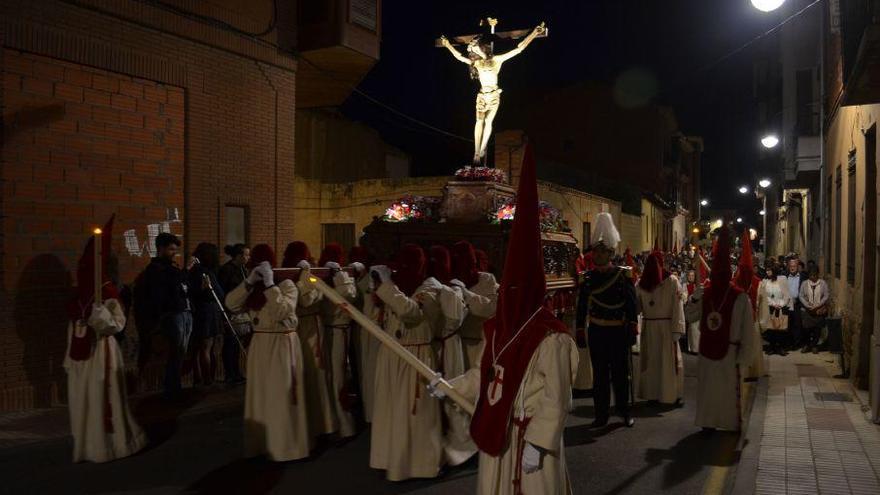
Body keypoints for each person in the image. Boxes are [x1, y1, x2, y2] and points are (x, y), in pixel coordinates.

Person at [432, 143, 577, 494]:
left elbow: (556, 397)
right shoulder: (497, 329)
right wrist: (449, 387)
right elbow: (483, 374)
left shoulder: (549, 337)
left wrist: (540, 443)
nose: (506, 298)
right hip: (500, 429)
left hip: (530, 436)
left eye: (516, 291)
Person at [65, 216, 146, 463]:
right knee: (84, 401)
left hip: (102, 352)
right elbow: (72, 325)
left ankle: (110, 445)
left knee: (103, 399)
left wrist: (99, 316)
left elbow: (117, 324)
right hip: (82, 355)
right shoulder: (78, 292)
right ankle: (88, 446)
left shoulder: (108, 290)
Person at [226, 244, 310, 461]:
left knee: (281, 396)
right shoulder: (252, 288)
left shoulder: (288, 284)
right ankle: (262, 444)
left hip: (282, 344)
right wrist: (249, 282)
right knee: (261, 396)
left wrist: (270, 284)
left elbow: (282, 310)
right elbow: (231, 304)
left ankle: (286, 446)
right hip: (261, 344)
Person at [369, 244, 444, 481]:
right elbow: (376, 317)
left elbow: (411, 313)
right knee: (391, 411)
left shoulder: (430, 288)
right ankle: (391, 459)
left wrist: (387, 286)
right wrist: (376, 291)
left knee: (416, 415)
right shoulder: (396, 288)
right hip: (392, 354)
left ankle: (420, 465)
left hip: (417, 357)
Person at [440, 23, 547, 165]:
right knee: (479, 121)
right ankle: (477, 152)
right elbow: (459, 56)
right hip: (482, 95)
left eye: (475, 48)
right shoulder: (476, 64)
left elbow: (518, 49)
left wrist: (534, 34)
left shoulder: (497, 60)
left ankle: (483, 148)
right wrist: (447, 45)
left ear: (482, 47)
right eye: (473, 49)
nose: (473, 51)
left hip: (494, 95)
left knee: (488, 122)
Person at [685, 226, 758, 432]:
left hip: (730, 353)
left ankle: (728, 423)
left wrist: (744, 358)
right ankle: (708, 424)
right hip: (707, 352)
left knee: (726, 391)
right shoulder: (705, 294)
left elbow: (747, 331)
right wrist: (694, 298)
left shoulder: (740, 297)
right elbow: (691, 317)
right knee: (708, 391)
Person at [576, 212, 638, 428]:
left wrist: (632, 326)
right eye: (595, 252)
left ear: (610, 253)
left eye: (602, 252)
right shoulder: (588, 278)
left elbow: (631, 304)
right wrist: (579, 330)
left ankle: (624, 411)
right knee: (600, 376)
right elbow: (582, 306)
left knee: (621, 374)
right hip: (597, 332)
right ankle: (600, 414)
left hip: (617, 331)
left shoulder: (622, 275)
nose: (597, 256)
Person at [282, 241, 338, 440]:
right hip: (303, 327)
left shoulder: (307, 274)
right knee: (306, 375)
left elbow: (313, 292)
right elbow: (306, 299)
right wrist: (309, 282)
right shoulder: (289, 276)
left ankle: (322, 423)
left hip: (311, 326)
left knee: (317, 375)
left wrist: (310, 279)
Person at [427, 245, 474, 466]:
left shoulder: (449, 290)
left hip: (448, 345)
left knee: (453, 395)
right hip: (436, 346)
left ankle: (460, 445)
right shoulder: (432, 288)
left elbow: (454, 318)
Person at [142, 232, 194, 399]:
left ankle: (175, 386)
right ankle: (172, 389)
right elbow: (169, 287)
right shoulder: (156, 269)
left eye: (175, 250)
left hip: (184, 312)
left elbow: (182, 284)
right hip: (173, 314)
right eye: (171, 249)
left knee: (181, 352)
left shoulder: (172, 268)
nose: (174, 253)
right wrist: (185, 270)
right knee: (175, 352)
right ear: (161, 248)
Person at [318, 243, 358, 439]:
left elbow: (349, 294)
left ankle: (342, 424)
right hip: (326, 330)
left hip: (339, 330)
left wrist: (340, 275)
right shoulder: (321, 276)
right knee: (330, 377)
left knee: (339, 377)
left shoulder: (341, 275)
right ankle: (333, 422)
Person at [636, 252, 685, 405]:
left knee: (664, 362)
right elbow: (636, 307)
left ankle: (667, 394)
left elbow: (677, 306)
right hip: (656, 326)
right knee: (656, 363)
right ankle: (657, 394)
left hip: (663, 327)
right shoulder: (642, 284)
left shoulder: (670, 281)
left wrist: (677, 328)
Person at [451, 240, 499, 369]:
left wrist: (465, 293)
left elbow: (488, 309)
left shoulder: (486, 279)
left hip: (478, 343)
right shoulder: (449, 281)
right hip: (453, 344)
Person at [348, 245, 379, 423]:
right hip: (357, 329)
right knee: (360, 368)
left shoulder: (370, 279)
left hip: (370, 330)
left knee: (368, 370)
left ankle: (369, 407)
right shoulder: (360, 277)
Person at [188, 243, 224, 387]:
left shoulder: (193, 271)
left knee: (198, 348)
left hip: (199, 311)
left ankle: (198, 378)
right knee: (207, 347)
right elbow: (219, 292)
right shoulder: (205, 272)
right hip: (208, 311)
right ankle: (208, 378)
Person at [218, 244, 250, 385]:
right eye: (245, 255)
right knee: (230, 343)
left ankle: (237, 372)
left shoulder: (244, 270)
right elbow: (223, 292)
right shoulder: (227, 270)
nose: (248, 258)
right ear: (238, 256)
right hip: (230, 312)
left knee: (237, 344)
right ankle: (229, 374)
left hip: (242, 311)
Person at [734, 231, 764, 380]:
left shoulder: (735, 282)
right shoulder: (758, 282)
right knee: (752, 344)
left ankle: (745, 371)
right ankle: (750, 370)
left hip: (743, 319)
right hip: (752, 318)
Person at [757, 263, 791, 356]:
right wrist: (772, 303)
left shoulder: (782, 279)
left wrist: (781, 304)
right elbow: (764, 296)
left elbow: (787, 294)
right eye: (766, 270)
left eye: (769, 270)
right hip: (770, 307)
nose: (767, 272)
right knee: (771, 329)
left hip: (781, 307)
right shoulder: (765, 281)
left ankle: (780, 348)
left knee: (781, 329)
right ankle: (771, 347)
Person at [799, 266, 829, 354]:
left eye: (814, 275)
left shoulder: (823, 283)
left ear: (817, 275)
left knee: (817, 329)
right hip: (806, 310)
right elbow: (801, 295)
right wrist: (807, 304)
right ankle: (807, 344)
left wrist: (818, 305)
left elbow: (826, 295)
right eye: (811, 275)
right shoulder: (805, 283)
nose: (812, 277)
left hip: (818, 310)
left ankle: (814, 345)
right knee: (806, 329)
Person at [785, 257, 807, 350]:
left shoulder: (803, 277)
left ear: (797, 267)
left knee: (797, 324)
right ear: (788, 267)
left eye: (794, 266)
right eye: (791, 266)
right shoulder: (784, 276)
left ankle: (796, 343)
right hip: (787, 304)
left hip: (798, 303)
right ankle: (788, 343)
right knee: (788, 324)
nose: (792, 268)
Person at [683, 269, 701, 354]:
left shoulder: (697, 286)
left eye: (692, 275)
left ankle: (696, 347)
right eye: (689, 275)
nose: (691, 277)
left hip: (696, 309)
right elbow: (684, 296)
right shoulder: (684, 285)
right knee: (689, 329)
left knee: (696, 330)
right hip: (688, 309)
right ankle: (689, 347)